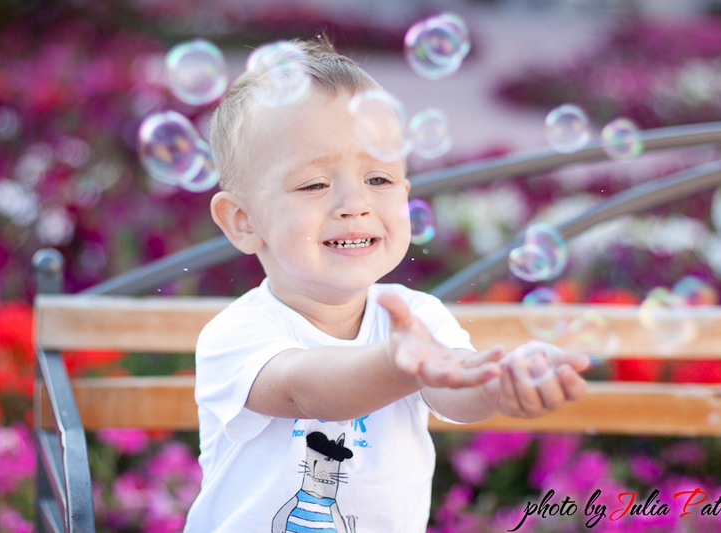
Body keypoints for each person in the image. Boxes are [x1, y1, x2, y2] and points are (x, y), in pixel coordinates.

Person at [183, 37, 589, 533]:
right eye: (314, 184)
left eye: (378, 179)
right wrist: (398, 364)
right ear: (243, 220)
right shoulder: (236, 336)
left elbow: (452, 387)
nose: (355, 204)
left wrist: (496, 381)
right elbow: (304, 391)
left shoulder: (417, 317)